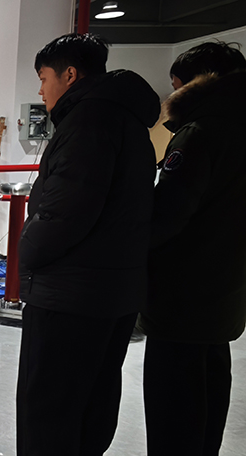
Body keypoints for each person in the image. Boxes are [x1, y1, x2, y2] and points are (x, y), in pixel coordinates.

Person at [15, 33, 160, 455]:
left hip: (70, 295)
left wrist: (27, 254)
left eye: (44, 78)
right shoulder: (127, 120)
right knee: (93, 401)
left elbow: (64, 214)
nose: (40, 91)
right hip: (114, 292)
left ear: (70, 75)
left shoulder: (87, 123)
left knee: (49, 409)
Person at [138, 42, 246, 456]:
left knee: (173, 405)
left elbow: (168, 214)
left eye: (175, 84)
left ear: (194, 84)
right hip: (226, 289)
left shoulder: (199, 133)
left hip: (183, 294)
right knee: (210, 394)